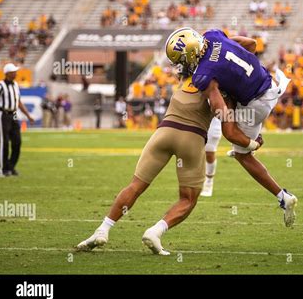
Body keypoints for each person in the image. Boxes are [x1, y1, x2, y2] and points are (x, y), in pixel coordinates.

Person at [76, 64, 262, 255]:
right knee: (188, 199)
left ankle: (103, 229)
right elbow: (228, 127)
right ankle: (155, 232)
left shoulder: (185, 76)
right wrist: (252, 143)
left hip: (163, 132)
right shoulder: (218, 86)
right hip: (192, 137)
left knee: (135, 186)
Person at [165, 27, 298, 227]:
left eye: (182, 60)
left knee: (240, 149)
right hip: (269, 84)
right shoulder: (213, 35)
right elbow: (252, 45)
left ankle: (282, 195)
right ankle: (250, 140)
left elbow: (223, 116)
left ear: (191, 53)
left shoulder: (203, 74)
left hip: (255, 104)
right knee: (233, 106)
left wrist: (247, 141)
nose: (183, 65)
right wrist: (233, 74)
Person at [0, 63, 34, 177]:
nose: (16, 73)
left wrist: (28, 115)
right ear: (8, 73)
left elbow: (18, 102)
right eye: (14, 71)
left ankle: (10, 166)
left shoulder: (15, 85)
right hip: (2, 114)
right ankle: (3, 169)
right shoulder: (0, 85)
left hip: (13, 114)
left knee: (17, 142)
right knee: (4, 142)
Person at [200, 117, 222, 197]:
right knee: (192, 152)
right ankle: (192, 183)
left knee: (209, 152)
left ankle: (209, 183)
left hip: (213, 121)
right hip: (195, 118)